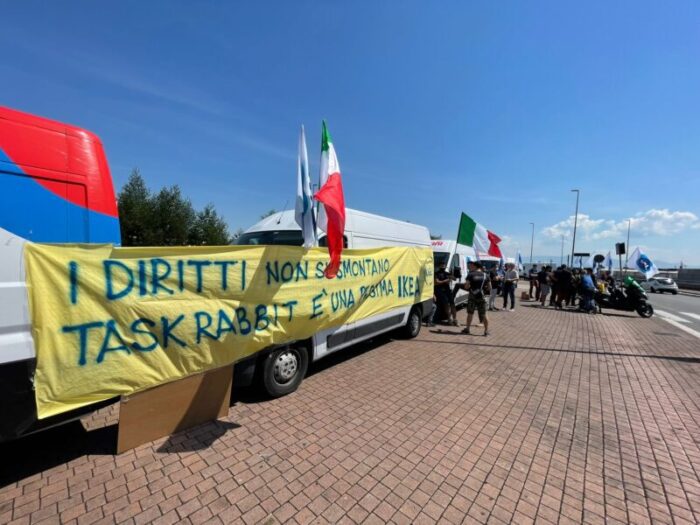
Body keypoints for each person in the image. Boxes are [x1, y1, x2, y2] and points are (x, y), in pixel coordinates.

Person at [461, 261, 491, 336]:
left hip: (472, 296)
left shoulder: (471, 274)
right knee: (484, 314)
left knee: (470, 313)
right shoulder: (485, 275)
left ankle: (467, 329)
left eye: (472, 265)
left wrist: (469, 286)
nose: (471, 266)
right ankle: (486, 331)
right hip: (481, 296)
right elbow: (490, 287)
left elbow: (466, 287)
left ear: (475, 266)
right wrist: (483, 289)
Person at [434, 261, 457, 326]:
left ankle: (455, 319)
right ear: (439, 266)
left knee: (452, 304)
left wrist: (453, 276)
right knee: (446, 304)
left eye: (444, 265)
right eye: (442, 265)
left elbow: (454, 279)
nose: (443, 266)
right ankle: (449, 319)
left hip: (448, 290)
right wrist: (445, 281)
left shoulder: (447, 273)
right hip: (440, 291)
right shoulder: (436, 273)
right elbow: (437, 282)